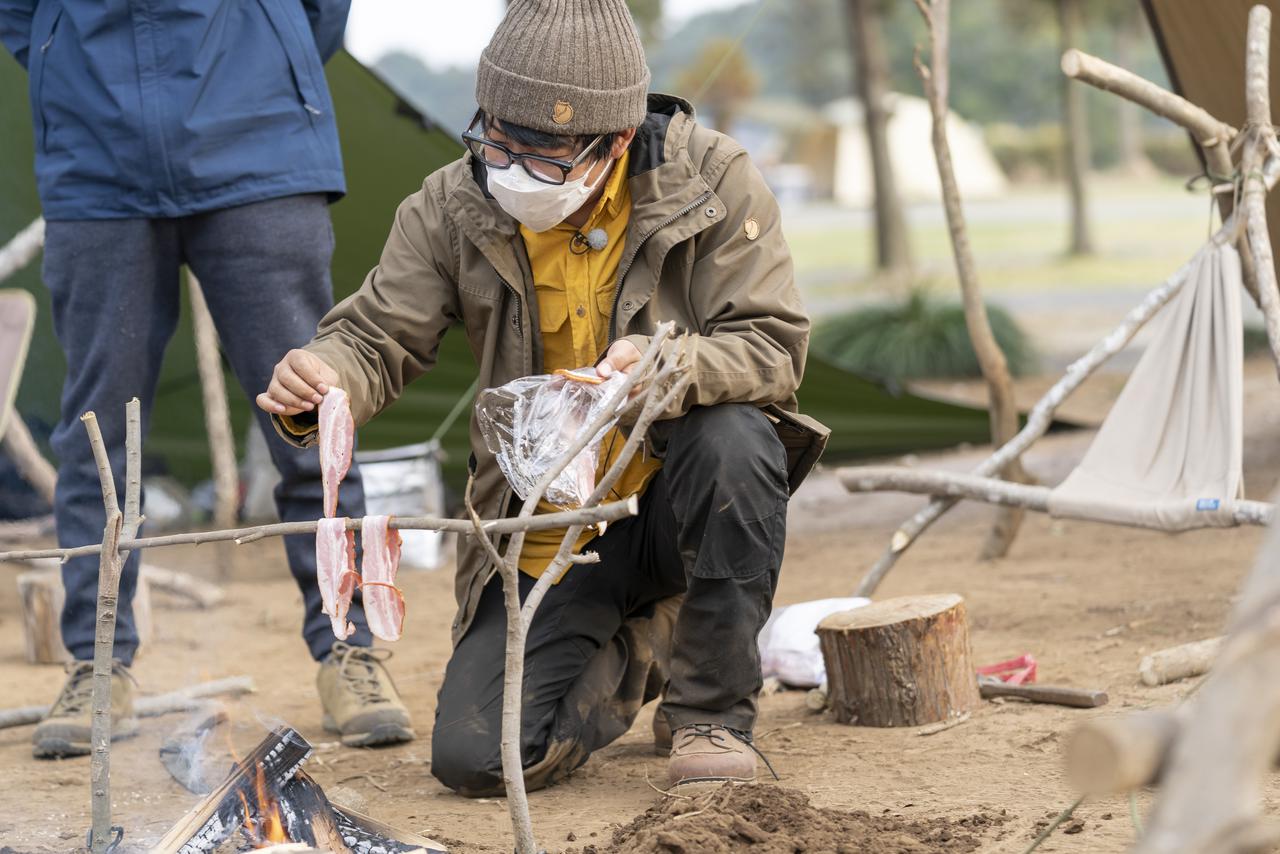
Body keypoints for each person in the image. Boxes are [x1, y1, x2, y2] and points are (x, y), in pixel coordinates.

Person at [259, 0, 827, 792]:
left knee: (735, 437)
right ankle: (661, 638)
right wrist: (322, 378)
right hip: (551, 527)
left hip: (675, 498)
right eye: (496, 137)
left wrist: (661, 370)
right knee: (476, 757)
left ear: (617, 141)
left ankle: (711, 714)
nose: (513, 167)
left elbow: (771, 348)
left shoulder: (712, 179)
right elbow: (375, 336)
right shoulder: (451, 202)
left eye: (547, 155)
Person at [0, 0, 414, 757]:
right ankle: (98, 665)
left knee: (310, 416)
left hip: (259, 142)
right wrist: (67, 53)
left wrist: (270, 45)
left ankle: (350, 650)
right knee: (94, 432)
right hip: (96, 154)